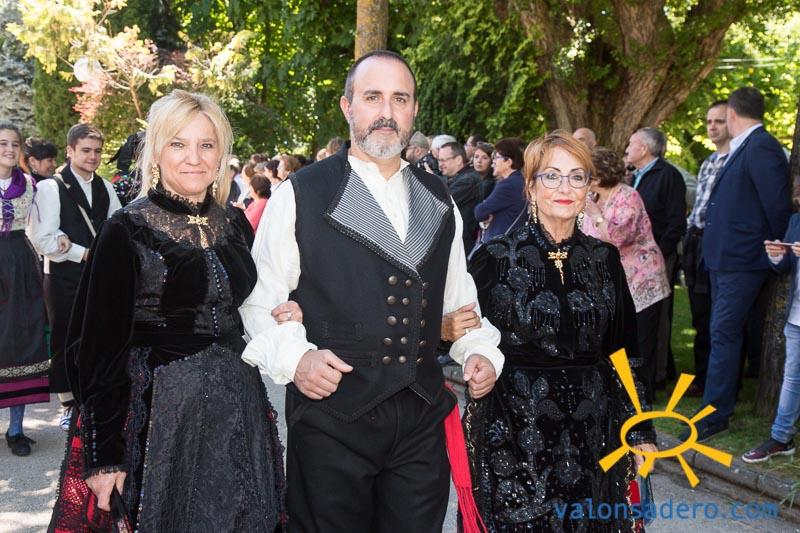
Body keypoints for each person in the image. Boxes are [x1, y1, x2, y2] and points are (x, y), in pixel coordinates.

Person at [240, 50, 503, 533]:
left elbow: (460, 303)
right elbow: (259, 301)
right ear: (347, 106)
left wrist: (478, 351)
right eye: (372, 97)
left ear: (414, 111)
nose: (386, 112)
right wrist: (297, 360)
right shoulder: (301, 193)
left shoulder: (439, 198)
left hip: (420, 420)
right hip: (332, 417)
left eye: (399, 99)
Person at [48, 90, 286, 532]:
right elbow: (97, 347)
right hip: (159, 419)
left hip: (238, 407)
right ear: (156, 151)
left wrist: (283, 311)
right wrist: (105, 454)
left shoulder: (234, 223)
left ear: (221, 153)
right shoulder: (126, 229)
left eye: (206, 144)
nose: (194, 158)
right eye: (179, 143)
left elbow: (252, 304)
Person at [465, 131, 657, 531]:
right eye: (551, 176)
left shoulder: (604, 259)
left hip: (594, 429)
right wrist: (474, 356)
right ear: (531, 186)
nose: (565, 188)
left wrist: (639, 429)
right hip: (516, 431)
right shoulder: (495, 258)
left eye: (576, 177)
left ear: (589, 188)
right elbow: (460, 331)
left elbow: (624, 350)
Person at [689, 87, 793, 442]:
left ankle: (714, 414)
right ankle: (720, 403)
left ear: (732, 114)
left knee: (723, 332)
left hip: (743, 259)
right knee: (724, 331)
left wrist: (776, 253)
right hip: (726, 258)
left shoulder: (761, 146)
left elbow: (777, 206)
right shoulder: (746, 146)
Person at [28, 123, 121, 431]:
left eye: (97, 151)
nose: (92, 156)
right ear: (70, 151)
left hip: (99, 277)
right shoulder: (50, 188)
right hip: (63, 278)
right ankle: (68, 405)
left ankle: (93, 399)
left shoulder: (106, 187)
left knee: (97, 337)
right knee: (65, 339)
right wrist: (82, 253)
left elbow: (117, 228)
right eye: (86, 150)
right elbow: (42, 239)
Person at [582, 147, 671, 402]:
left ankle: (642, 399)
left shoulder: (627, 196)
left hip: (642, 280)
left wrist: (596, 216)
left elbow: (617, 238)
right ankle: (620, 393)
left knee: (640, 343)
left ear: (599, 175)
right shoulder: (595, 198)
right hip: (616, 282)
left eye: (587, 174)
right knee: (616, 341)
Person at [0, 124, 49, 457]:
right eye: (2, 143)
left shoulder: (30, 185)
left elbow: (41, 228)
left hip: (20, 264)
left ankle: (16, 429)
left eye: (14, 144)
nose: (8, 149)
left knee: (21, 340)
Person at [626, 127, 686, 390]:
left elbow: (676, 221)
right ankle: (655, 370)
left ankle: (656, 376)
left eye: (631, 144)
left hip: (658, 256)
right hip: (636, 260)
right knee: (642, 317)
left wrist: (659, 251)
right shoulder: (635, 176)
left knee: (657, 316)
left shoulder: (668, 176)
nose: (627, 149)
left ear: (644, 149)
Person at [683, 100, 731, 397]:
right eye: (709, 121)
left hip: (719, 245)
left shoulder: (735, 161)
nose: (712, 127)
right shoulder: (709, 162)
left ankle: (721, 382)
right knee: (700, 315)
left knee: (720, 318)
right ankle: (702, 378)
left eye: (719, 121)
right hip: (696, 241)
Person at [742, 219, 800, 463]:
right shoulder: (796, 220)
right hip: (796, 316)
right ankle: (781, 438)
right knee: (792, 379)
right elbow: (784, 266)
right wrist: (776, 255)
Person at [473, 137, 526, 243]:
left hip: (500, 245)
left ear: (508, 162)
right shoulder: (518, 180)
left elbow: (479, 212)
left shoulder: (508, 185)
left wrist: (487, 214)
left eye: (497, 157)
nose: (493, 162)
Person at [438, 141, 482, 252]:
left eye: (443, 160)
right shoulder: (461, 178)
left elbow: (441, 203)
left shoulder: (468, 181)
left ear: (458, 160)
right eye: (439, 160)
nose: (440, 164)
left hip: (460, 245)